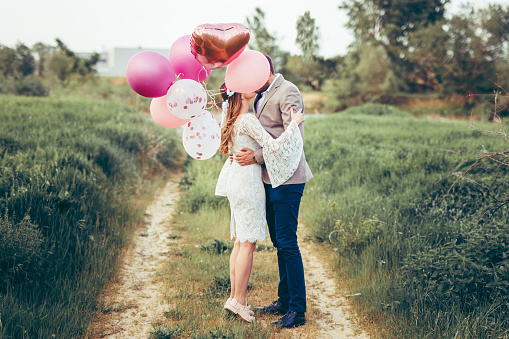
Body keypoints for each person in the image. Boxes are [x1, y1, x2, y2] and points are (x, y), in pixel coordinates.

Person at [233, 54, 313, 329]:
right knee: (279, 242)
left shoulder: (288, 90)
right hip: (268, 179)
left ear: (263, 70)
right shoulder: (257, 93)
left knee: (288, 242)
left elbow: (294, 141)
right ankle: (284, 298)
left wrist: (256, 156)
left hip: (289, 179)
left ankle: (297, 310)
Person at [215, 82, 305, 323]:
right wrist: (294, 124)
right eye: (245, 82)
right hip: (248, 183)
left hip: (237, 179)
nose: (252, 83)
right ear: (240, 93)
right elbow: (274, 146)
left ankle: (234, 298)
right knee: (247, 244)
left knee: (239, 242)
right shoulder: (248, 119)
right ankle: (240, 302)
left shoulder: (233, 118)